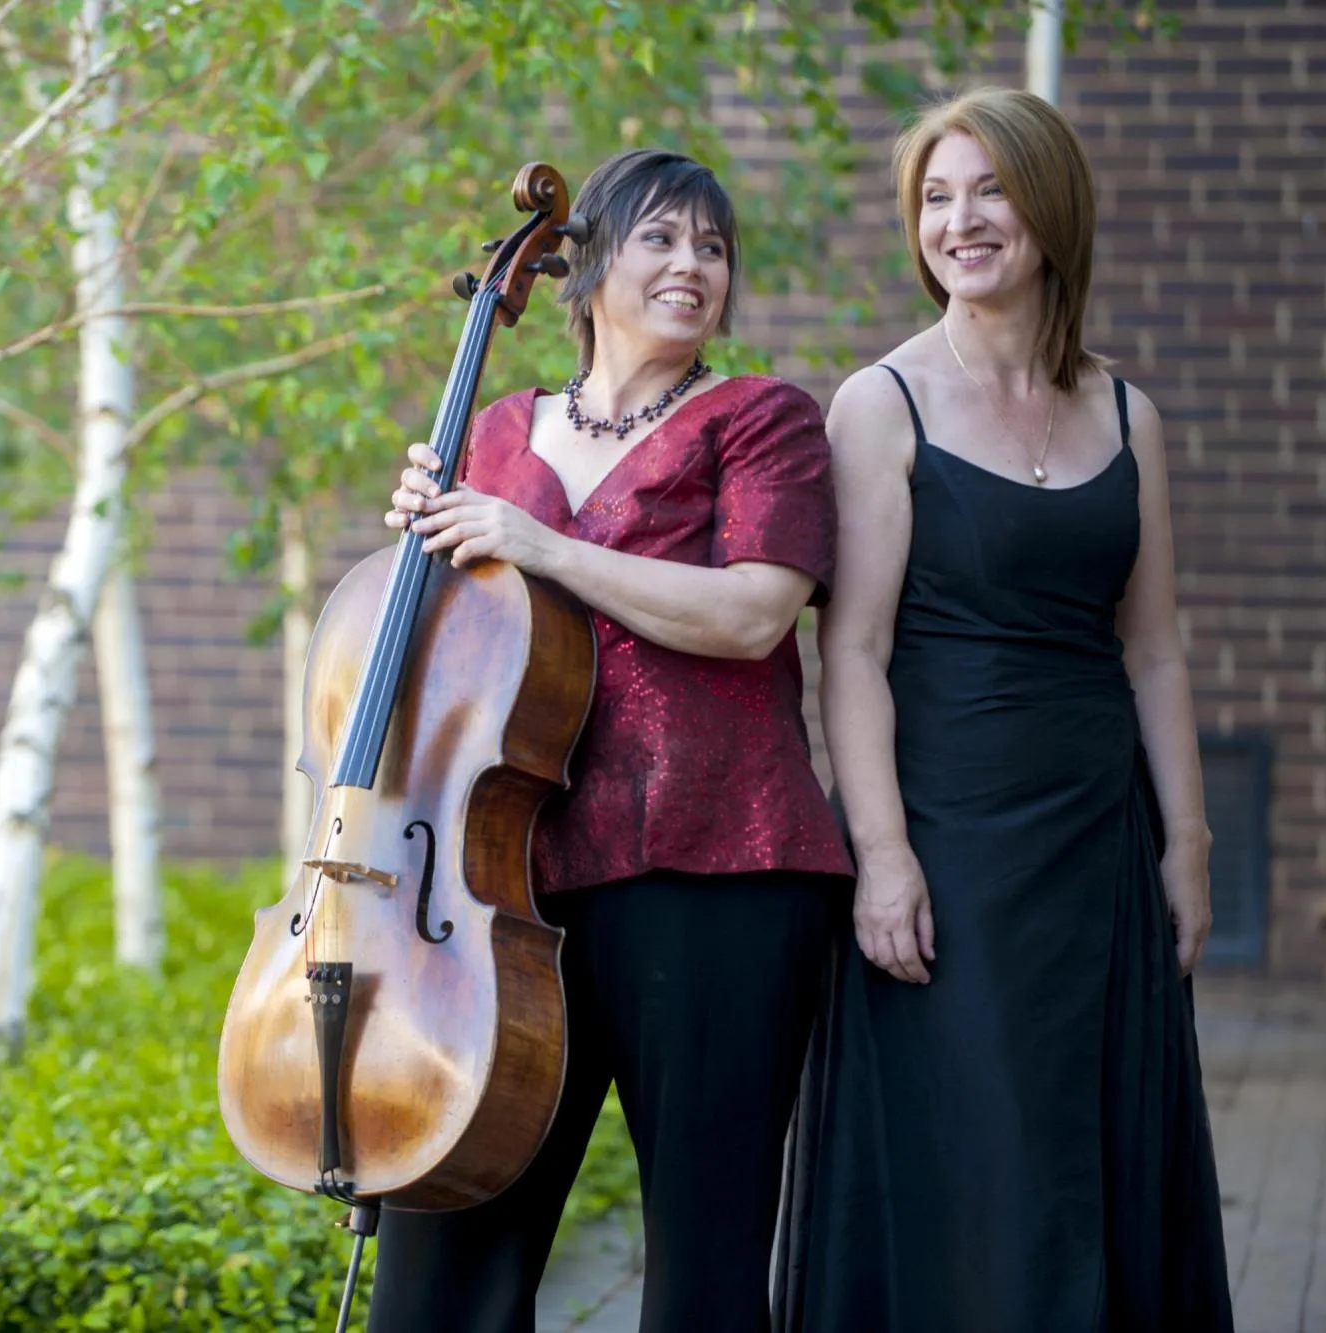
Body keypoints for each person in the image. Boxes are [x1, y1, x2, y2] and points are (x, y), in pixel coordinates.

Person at [775, 88, 1235, 1332]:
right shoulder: (881, 404)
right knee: (978, 1163)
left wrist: (1183, 849)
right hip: (947, 847)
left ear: (1048, 206)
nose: (958, 221)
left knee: (1096, 1154)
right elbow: (851, 651)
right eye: (933, 198)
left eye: (985, 190)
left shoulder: (1126, 413)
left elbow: (1152, 650)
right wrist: (879, 860)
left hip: (1097, 847)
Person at [373, 148, 851, 1332]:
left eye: (713, 246)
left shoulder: (759, 420)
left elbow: (750, 614)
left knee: (702, 1267)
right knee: (446, 1257)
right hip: (503, 884)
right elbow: (447, 654)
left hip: (718, 875)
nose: (692, 264)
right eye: (661, 238)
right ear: (585, 267)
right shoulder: (492, 432)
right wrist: (417, 540)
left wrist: (537, 545)